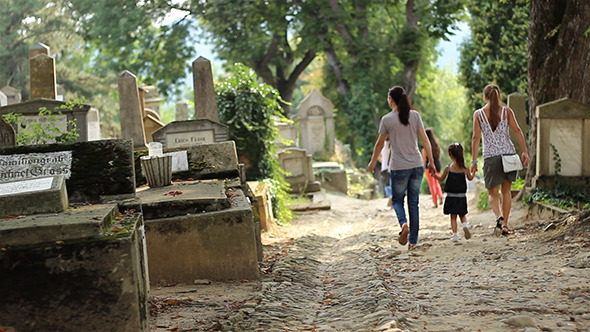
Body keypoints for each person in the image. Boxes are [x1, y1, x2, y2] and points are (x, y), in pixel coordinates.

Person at [368, 86, 436, 250]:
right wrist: (431, 161)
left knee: (397, 200)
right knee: (414, 203)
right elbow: (425, 140)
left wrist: (372, 162)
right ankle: (413, 241)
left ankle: (403, 224)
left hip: (399, 167)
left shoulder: (387, 119)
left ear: (391, 99)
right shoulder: (415, 116)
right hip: (417, 165)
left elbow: (379, 144)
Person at [471, 84, 529, 236]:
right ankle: (505, 224)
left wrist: (474, 161)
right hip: (508, 155)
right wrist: (525, 152)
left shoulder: (478, 114)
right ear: (499, 96)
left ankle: (499, 217)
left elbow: (476, 138)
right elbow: (517, 130)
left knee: (492, 193)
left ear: (485, 97)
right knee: (506, 191)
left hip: (491, 157)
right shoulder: (507, 111)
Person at [434, 143, 475, 242]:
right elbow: (470, 178)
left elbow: (441, 178)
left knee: (453, 216)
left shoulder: (448, 169)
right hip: (461, 196)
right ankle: (465, 225)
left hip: (451, 196)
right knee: (462, 214)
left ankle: (455, 235)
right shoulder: (465, 169)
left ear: (450, 154)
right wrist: (474, 172)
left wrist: (434, 174)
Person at [421, 128, 443, 208]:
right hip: (437, 165)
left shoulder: (425, 147)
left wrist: (422, 167)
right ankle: (440, 195)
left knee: (431, 184)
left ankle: (435, 202)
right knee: (436, 182)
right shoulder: (436, 144)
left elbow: (424, 158)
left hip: (429, 166)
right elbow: (439, 155)